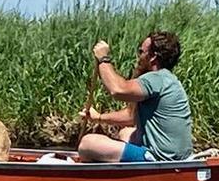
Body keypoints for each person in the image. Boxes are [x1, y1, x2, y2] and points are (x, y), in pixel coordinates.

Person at [77, 30, 193, 163]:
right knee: (126, 133)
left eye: (141, 52)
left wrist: (103, 59)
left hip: (161, 158)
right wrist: (98, 117)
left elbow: (118, 90)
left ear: (153, 57)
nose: (138, 57)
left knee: (87, 143)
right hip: (175, 155)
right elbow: (131, 116)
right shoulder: (168, 79)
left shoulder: (156, 79)